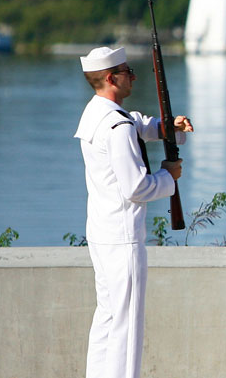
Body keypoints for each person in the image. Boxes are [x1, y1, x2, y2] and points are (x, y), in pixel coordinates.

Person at [74, 46, 193, 378]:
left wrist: (167, 126)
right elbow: (136, 187)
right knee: (126, 329)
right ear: (111, 78)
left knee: (108, 319)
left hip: (103, 232)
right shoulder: (117, 126)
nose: (134, 77)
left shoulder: (97, 113)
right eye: (127, 72)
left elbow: (136, 124)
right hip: (122, 237)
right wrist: (168, 176)